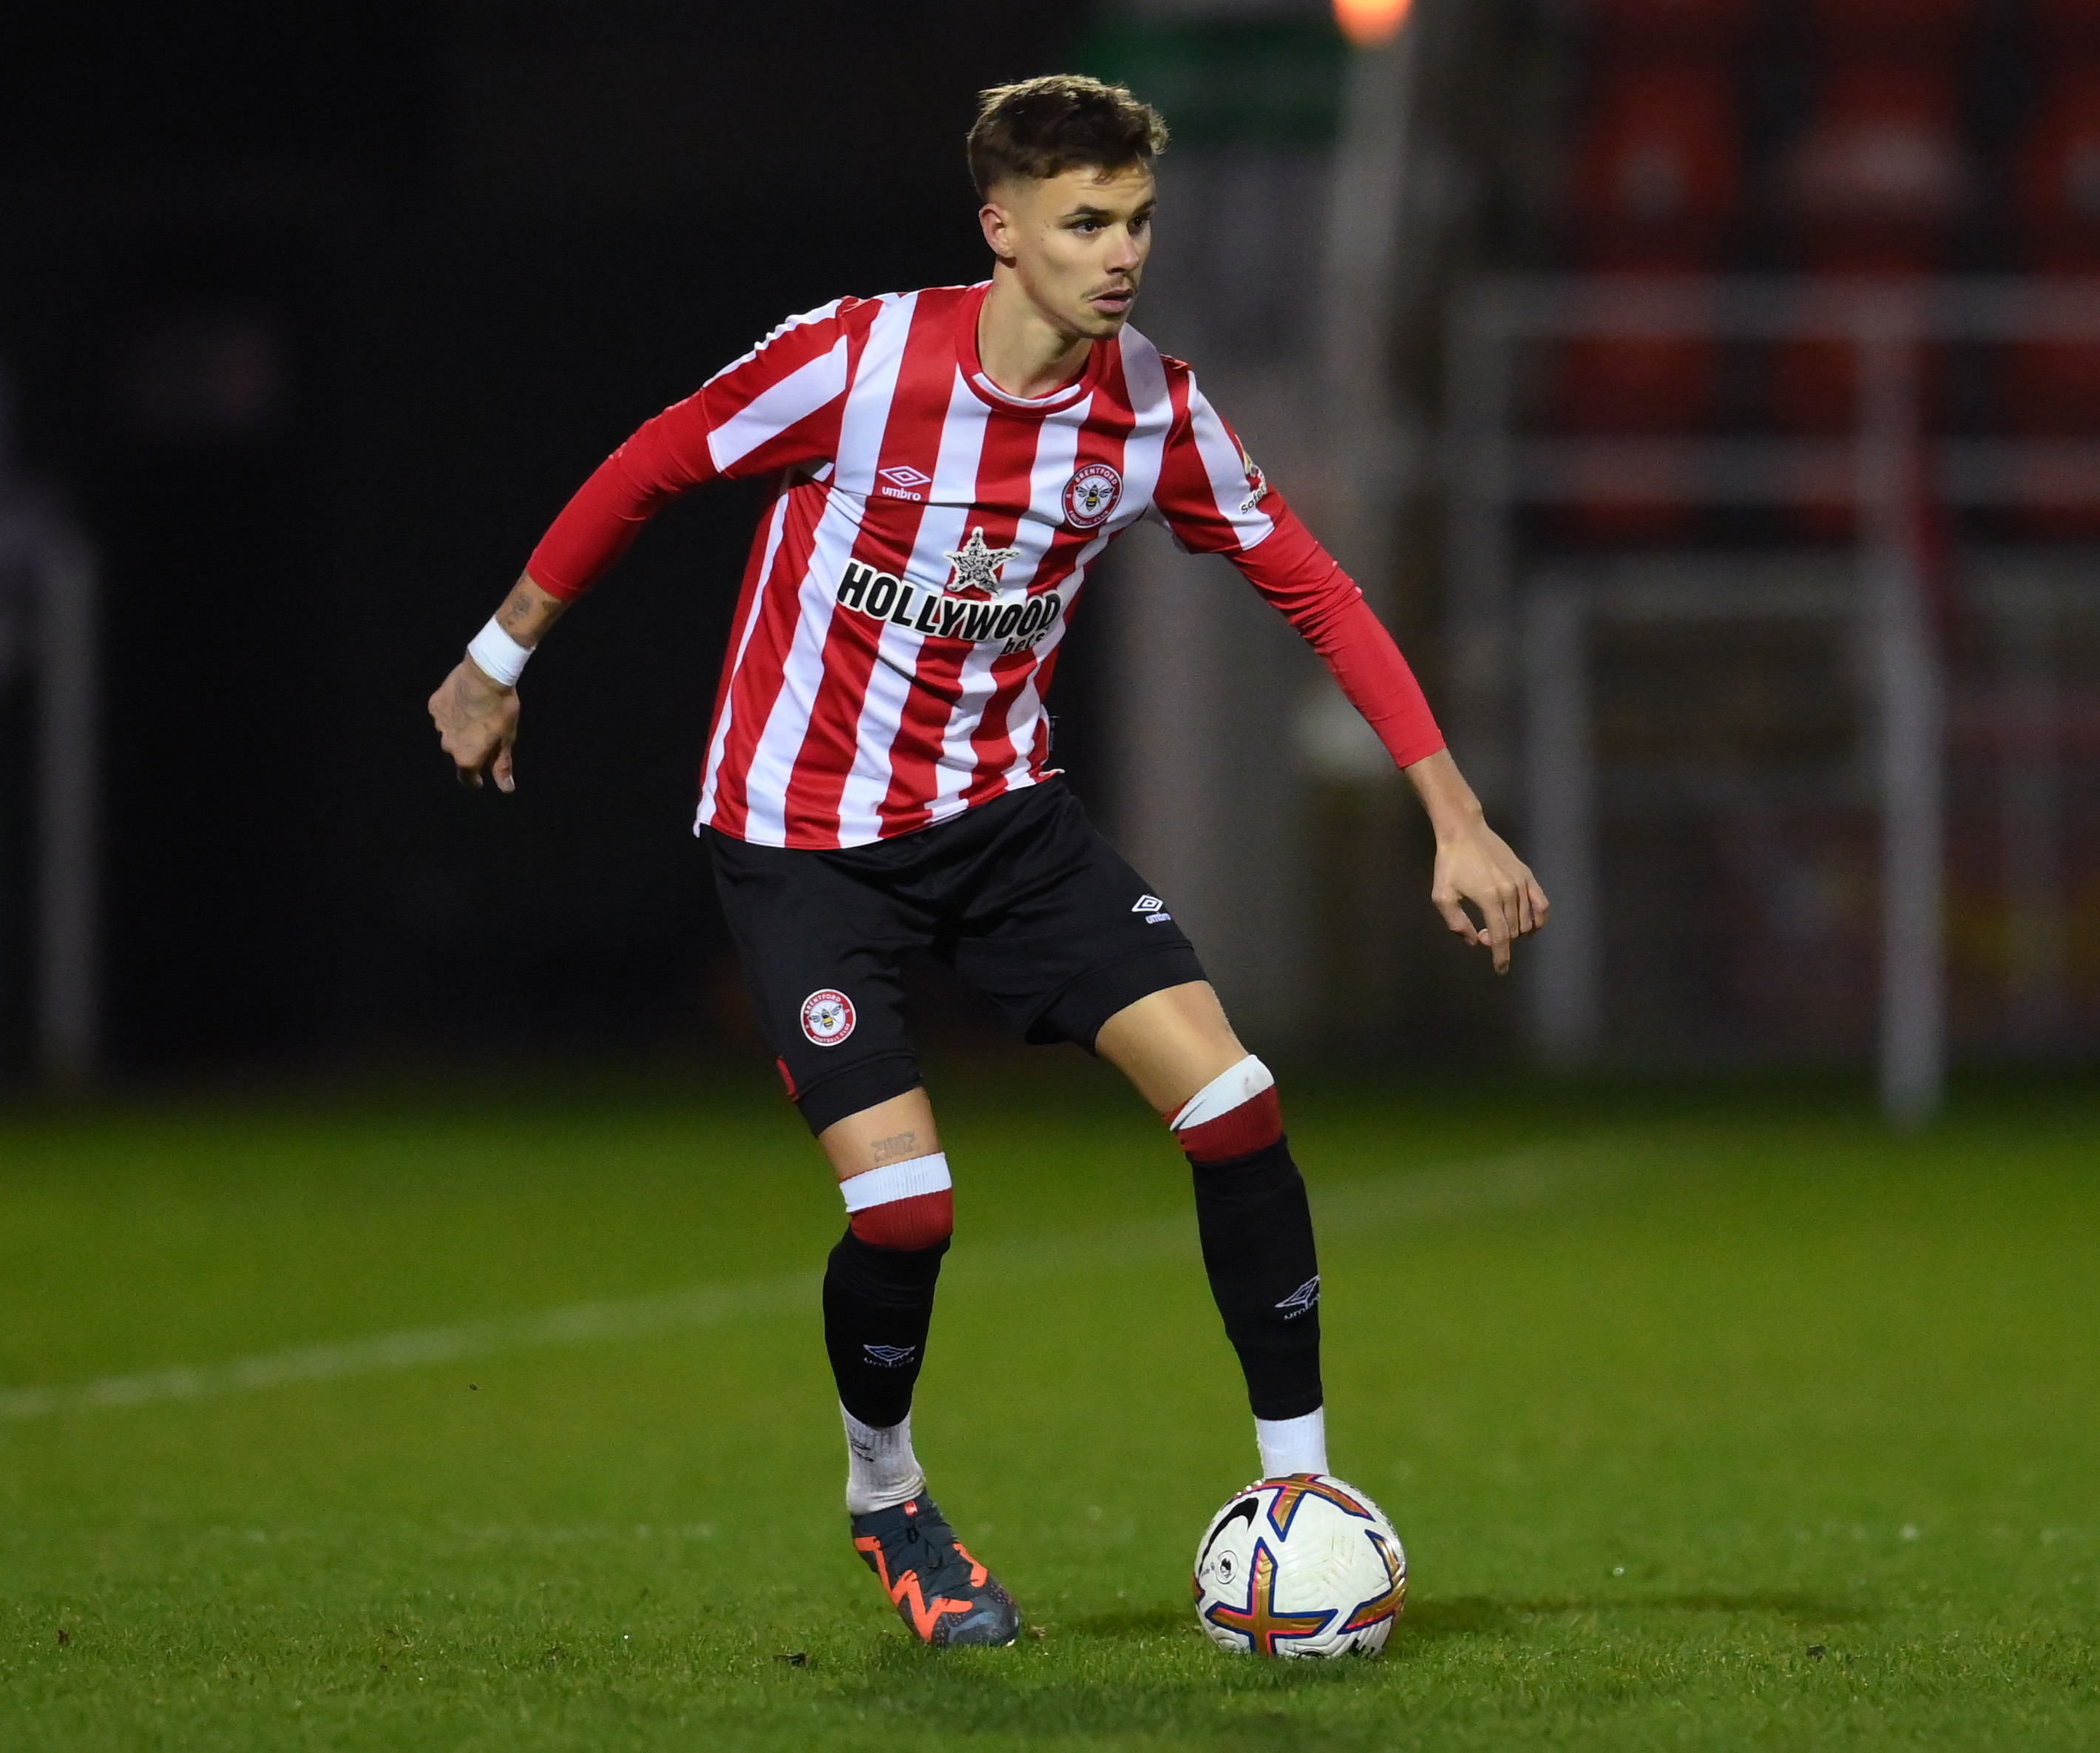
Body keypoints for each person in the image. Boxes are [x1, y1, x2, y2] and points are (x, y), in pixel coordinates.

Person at [427, 74, 1545, 1649]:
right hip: (803, 843)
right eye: (1086, 223)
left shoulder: (1152, 407)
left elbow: (1315, 587)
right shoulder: (856, 361)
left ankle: (1300, 1498)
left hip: (1006, 827)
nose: (1120, 255)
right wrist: (496, 657)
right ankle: (885, 1495)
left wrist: (1452, 811)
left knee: (1234, 1106)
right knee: (906, 1217)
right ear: (999, 228)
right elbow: (657, 461)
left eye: (1138, 220)